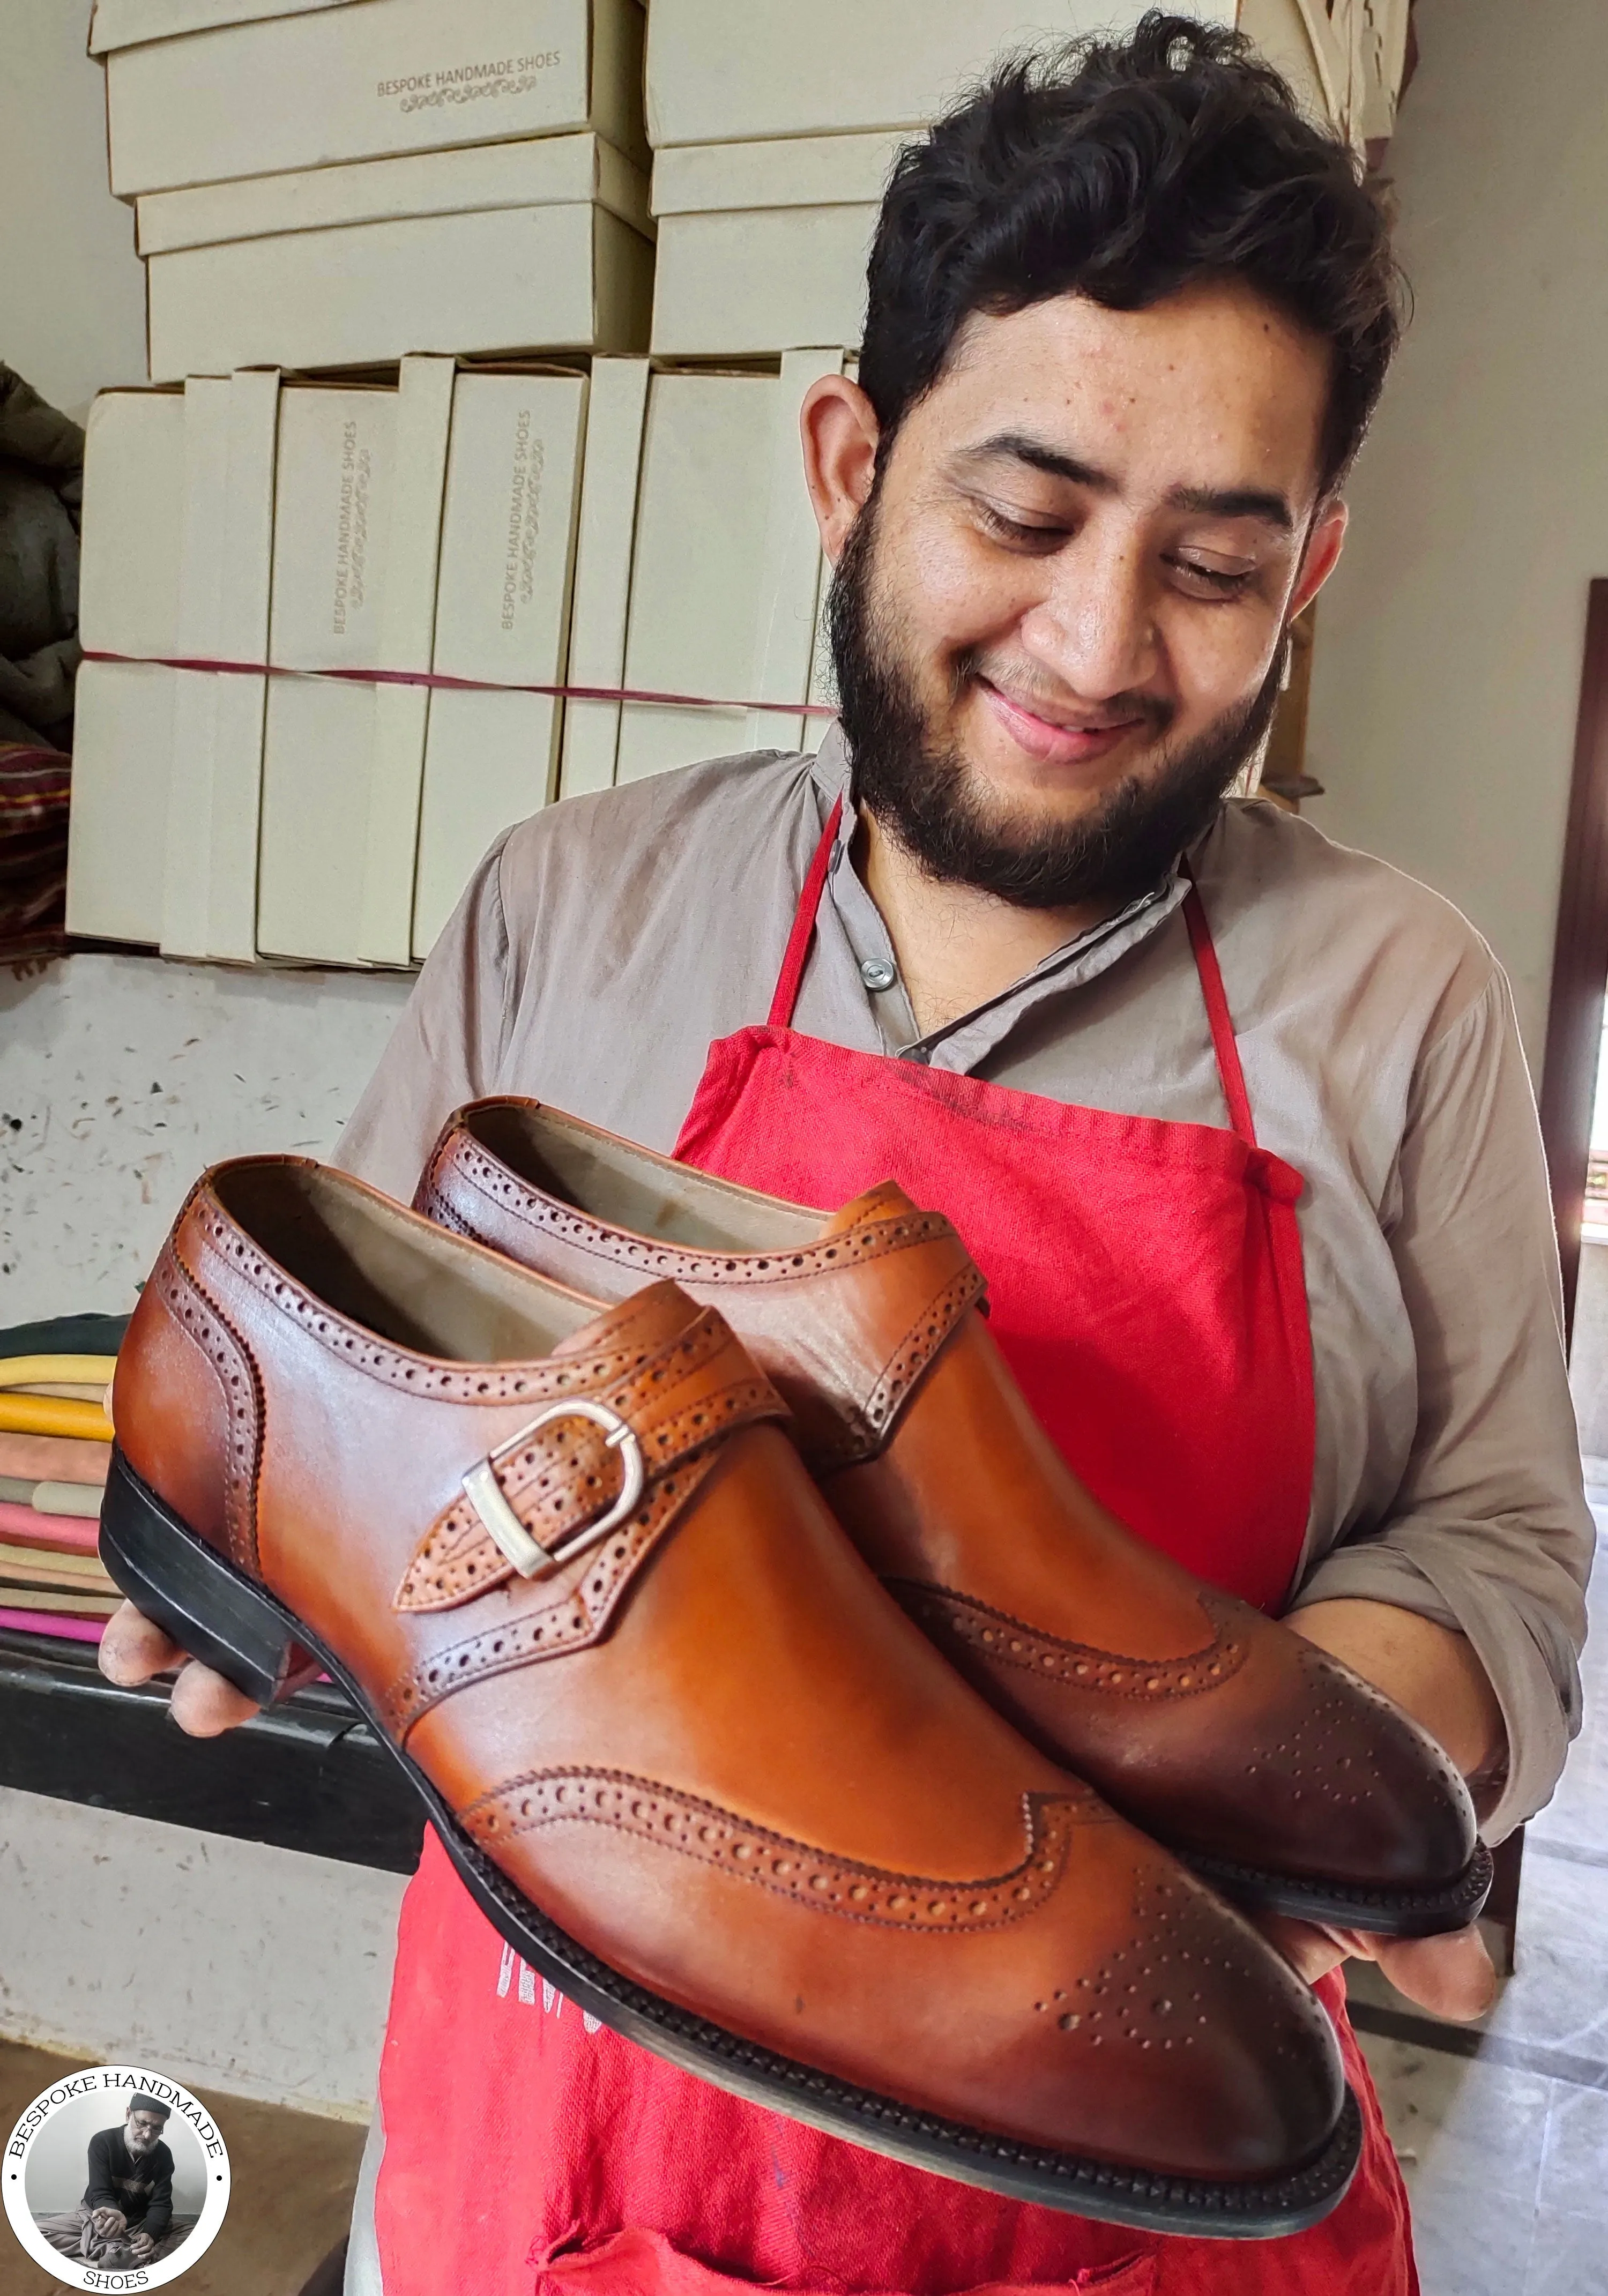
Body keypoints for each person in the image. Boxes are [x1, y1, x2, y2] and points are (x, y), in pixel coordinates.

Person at [100, 13, 1592, 2293]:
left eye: (1211, 562)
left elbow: (1496, 1539)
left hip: (1113, 2135)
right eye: (1020, 514)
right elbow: (364, 1391)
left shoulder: (1392, 1001)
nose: (1094, 644)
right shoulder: (573, 903)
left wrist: (1321, 1763)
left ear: (1307, 576)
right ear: (845, 463)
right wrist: (271, 1555)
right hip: (545, 2167)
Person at [35, 2096, 196, 2268]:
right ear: (128, 2114)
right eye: (142, 2124)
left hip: (139, 2223)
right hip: (97, 2217)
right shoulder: (103, 2141)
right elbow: (100, 2192)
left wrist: (151, 2233)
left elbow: (161, 2203)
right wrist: (110, 2215)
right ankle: (123, 2253)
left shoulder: (164, 2154)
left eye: (157, 2129)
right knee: (31, 2233)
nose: (148, 2135)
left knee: (200, 2235)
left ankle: (116, 2251)